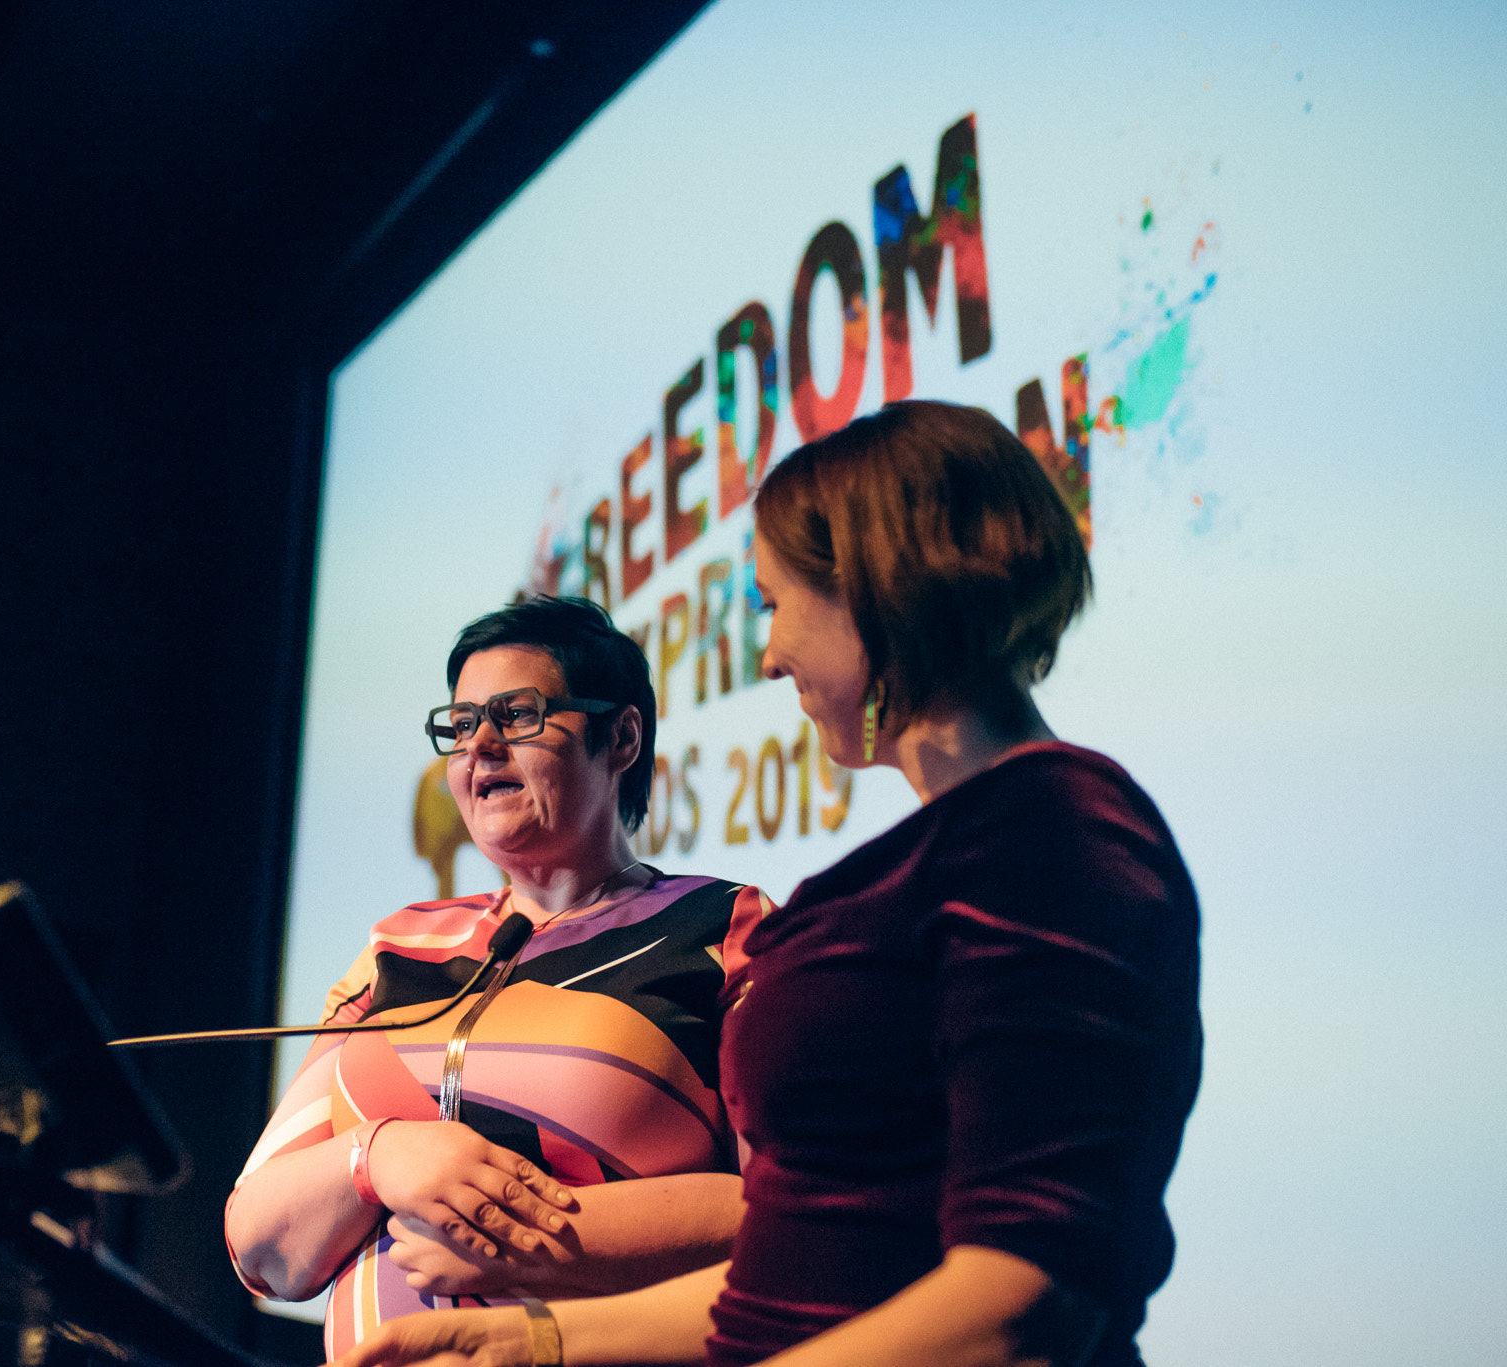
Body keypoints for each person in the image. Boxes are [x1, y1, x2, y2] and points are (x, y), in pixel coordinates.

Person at [328, 401, 1203, 1367]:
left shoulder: (1051, 829)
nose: (770, 651)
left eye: (776, 604)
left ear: (874, 589)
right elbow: (803, 1276)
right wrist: (534, 1339)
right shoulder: (914, 864)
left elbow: (1024, 1301)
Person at [227, 596, 774, 1358]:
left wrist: (527, 1237)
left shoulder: (723, 928)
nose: (479, 745)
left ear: (620, 737)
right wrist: (378, 1155)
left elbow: (797, 1215)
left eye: (516, 715)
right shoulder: (401, 945)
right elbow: (259, 1244)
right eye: (459, 726)